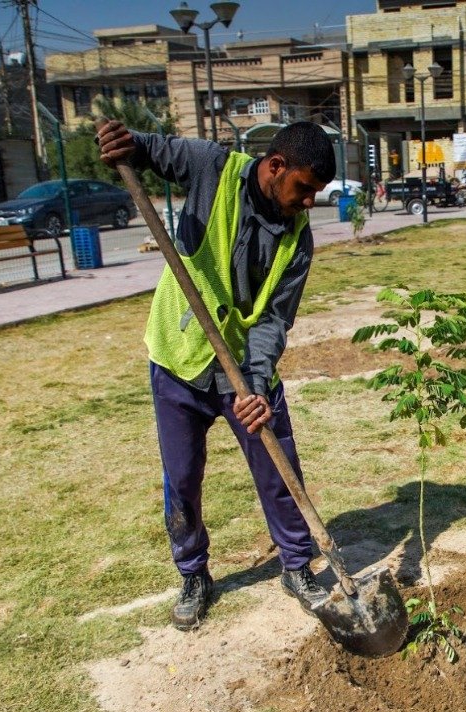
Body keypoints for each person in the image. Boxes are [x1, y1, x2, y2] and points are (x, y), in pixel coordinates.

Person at [96, 120, 335, 631]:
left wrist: (255, 383)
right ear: (276, 167)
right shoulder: (211, 167)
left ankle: (297, 566)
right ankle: (193, 573)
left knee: (278, 467)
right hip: (179, 357)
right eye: (306, 188)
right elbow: (151, 151)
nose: (311, 202)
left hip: (244, 367)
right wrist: (126, 143)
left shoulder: (299, 240)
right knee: (181, 476)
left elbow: (275, 317)